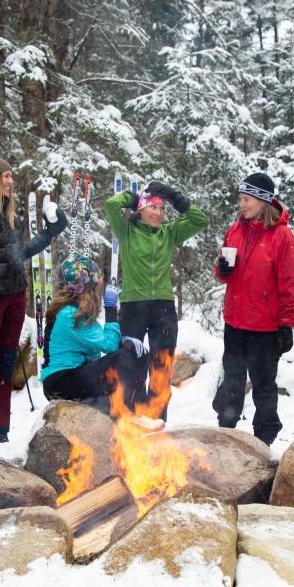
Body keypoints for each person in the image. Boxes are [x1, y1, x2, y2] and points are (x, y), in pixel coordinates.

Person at [0, 155, 68, 444]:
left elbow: (20, 252)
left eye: (10, 175)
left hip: (15, 296)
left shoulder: (7, 209)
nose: (10, 181)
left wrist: (49, 234)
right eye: (5, 176)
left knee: (5, 365)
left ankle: (0, 433)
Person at [211, 172, 294, 446]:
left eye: (247, 199)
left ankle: (264, 440)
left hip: (265, 327)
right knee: (232, 382)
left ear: (263, 201)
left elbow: (290, 283)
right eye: (241, 198)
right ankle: (226, 432)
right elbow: (222, 272)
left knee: (263, 386)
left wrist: (286, 324)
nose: (242, 204)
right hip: (235, 322)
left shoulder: (281, 236)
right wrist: (222, 269)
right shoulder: (235, 229)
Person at [103, 178, 209, 415]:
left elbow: (201, 220)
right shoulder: (127, 231)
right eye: (153, 207)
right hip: (133, 306)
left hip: (163, 308)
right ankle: (131, 423)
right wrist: (131, 197)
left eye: (162, 208)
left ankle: (157, 422)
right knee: (132, 367)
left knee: (161, 369)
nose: (159, 213)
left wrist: (175, 198)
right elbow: (111, 205)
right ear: (141, 208)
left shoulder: (169, 233)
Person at [40, 258, 150, 412]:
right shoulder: (70, 314)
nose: (101, 280)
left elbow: (101, 342)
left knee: (135, 353)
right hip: (62, 381)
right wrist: (111, 308)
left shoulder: (74, 309)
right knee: (127, 358)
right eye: (97, 276)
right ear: (88, 284)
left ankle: (133, 412)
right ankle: (136, 413)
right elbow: (109, 345)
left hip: (71, 376)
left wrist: (123, 341)